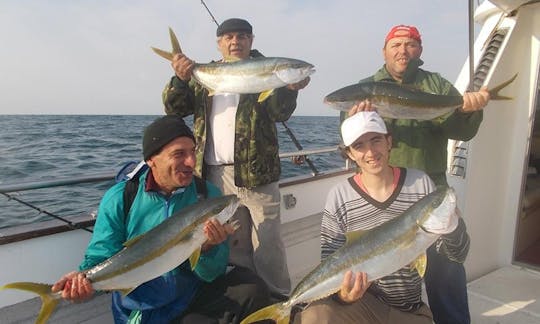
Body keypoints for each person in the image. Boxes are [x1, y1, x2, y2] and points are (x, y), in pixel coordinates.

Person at [51, 115, 270, 324]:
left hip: (189, 297)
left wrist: (207, 250)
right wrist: (82, 279)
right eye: (178, 154)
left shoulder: (206, 194)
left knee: (252, 287)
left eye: (193, 152)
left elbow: (213, 274)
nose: (191, 161)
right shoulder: (121, 197)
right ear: (151, 160)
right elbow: (101, 255)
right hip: (141, 309)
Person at [343, 25, 490, 324]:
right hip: (381, 190)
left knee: (446, 267)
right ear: (384, 50)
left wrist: (470, 111)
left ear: (419, 50)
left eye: (410, 45)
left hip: (430, 190)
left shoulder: (437, 86)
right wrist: (351, 117)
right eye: (396, 44)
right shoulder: (366, 88)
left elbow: (459, 130)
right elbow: (348, 139)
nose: (402, 51)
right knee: (381, 270)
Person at [161, 17, 310, 296]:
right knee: (231, 243)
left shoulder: (269, 70)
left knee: (269, 244)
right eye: (228, 37)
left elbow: (281, 114)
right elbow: (174, 108)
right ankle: (244, 298)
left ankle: (279, 300)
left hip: (259, 173)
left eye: (242, 36)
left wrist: (290, 90)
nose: (235, 41)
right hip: (214, 174)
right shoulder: (205, 74)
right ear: (219, 43)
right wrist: (180, 79)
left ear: (251, 41)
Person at [294, 111, 469, 323]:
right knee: (314, 316)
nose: (370, 152)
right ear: (349, 153)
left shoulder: (420, 183)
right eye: (359, 146)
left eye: (376, 140)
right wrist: (344, 297)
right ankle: (287, 307)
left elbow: (456, 255)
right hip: (361, 307)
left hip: (409, 311)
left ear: (389, 142)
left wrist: (454, 229)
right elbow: (331, 262)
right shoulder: (339, 196)